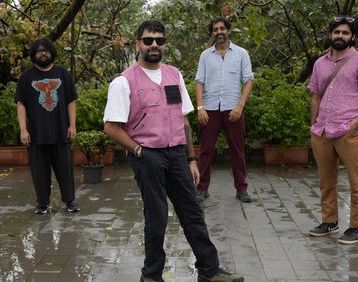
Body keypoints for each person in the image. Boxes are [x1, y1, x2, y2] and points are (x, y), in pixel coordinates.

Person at [103, 20, 244, 282]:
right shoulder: (124, 82)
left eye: (159, 40)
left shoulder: (173, 74)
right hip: (148, 156)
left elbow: (183, 119)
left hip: (178, 154)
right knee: (156, 217)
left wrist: (191, 158)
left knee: (192, 211)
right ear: (138, 44)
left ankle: (209, 270)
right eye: (148, 40)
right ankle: (152, 275)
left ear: (165, 45)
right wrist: (139, 151)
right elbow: (111, 127)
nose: (154, 44)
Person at [307, 16, 358, 244]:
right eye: (336, 32)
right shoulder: (320, 63)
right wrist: (314, 124)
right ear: (330, 34)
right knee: (326, 179)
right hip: (322, 131)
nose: (340, 36)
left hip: (349, 131)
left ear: (352, 36)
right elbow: (315, 94)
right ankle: (329, 221)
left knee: (357, 181)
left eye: (345, 33)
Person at [16, 38, 80, 214]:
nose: (43, 53)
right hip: (37, 133)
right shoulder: (26, 76)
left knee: (65, 169)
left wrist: (72, 125)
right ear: (34, 54)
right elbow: (21, 104)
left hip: (61, 132)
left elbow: (71, 101)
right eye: (39, 51)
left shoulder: (62, 74)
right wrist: (23, 129)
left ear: (52, 52)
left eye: (46, 50)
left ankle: (70, 201)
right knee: (39, 172)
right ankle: (42, 203)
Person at [195, 17, 254, 203]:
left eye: (222, 28)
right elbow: (199, 82)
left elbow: (249, 80)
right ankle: (201, 187)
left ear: (228, 30)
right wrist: (200, 107)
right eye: (215, 29)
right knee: (205, 151)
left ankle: (241, 189)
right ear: (212, 33)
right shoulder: (205, 55)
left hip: (233, 109)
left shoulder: (241, 54)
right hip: (210, 109)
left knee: (237, 150)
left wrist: (240, 106)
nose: (219, 32)